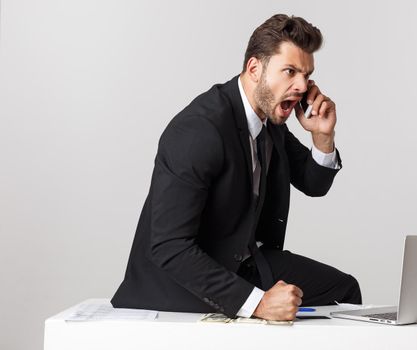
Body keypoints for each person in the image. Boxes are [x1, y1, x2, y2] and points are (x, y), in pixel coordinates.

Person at [111, 14, 361, 321]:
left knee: (344, 291)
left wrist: (323, 136)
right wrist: (258, 303)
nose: (301, 86)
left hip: (242, 260)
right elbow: (169, 247)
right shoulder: (199, 131)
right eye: (290, 71)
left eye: (307, 75)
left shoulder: (269, 121)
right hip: (181, 280)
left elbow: (313, 184)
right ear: (255, 68)